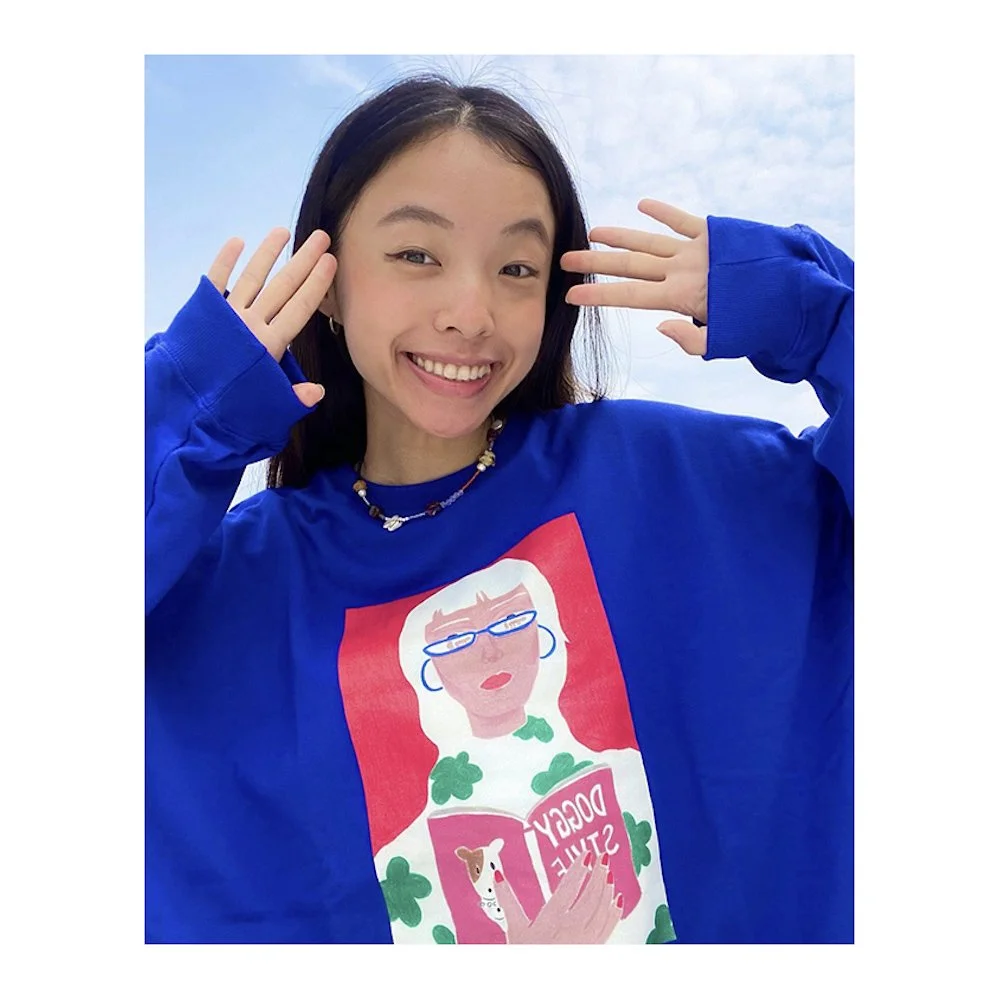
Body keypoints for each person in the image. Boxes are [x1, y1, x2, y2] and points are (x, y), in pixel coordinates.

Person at [145, 73, 853, 945]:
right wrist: (190, 400)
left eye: (516, 267)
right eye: (416, 255)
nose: (471, 313)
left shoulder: (667, 480)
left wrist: (815, 317)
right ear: (324, 282)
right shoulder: (232, 586)